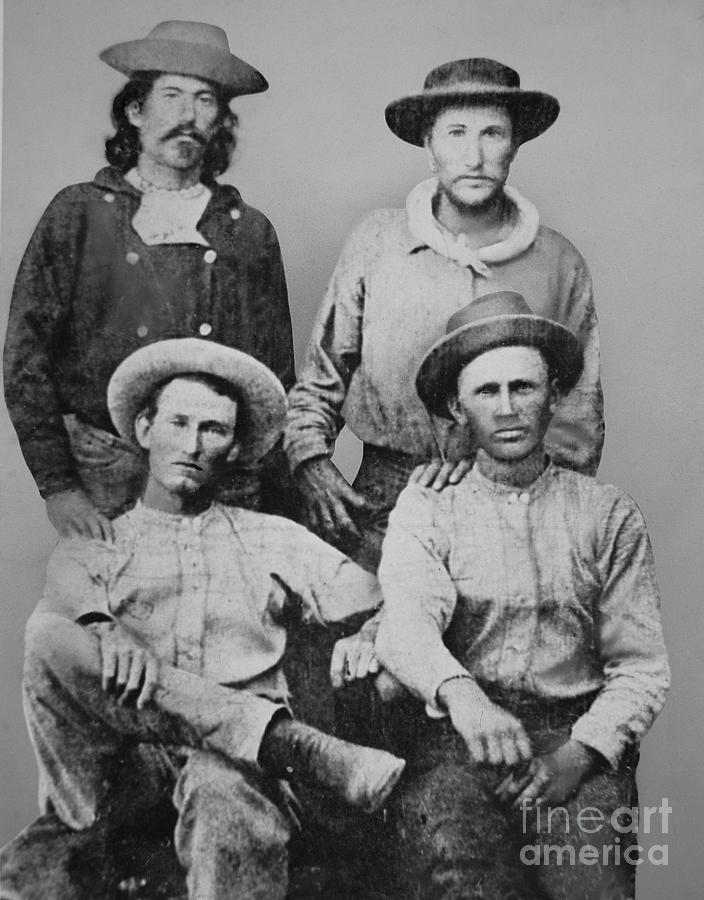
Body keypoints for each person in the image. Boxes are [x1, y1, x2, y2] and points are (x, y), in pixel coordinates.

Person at [1, 338, 404, 900]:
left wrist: (370, 630)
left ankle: (262, 743)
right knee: (46, 631)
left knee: (225, 794)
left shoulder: (271, 537)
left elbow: (386, 601)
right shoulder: (100, 542)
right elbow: (56, 635)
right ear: (145, 429)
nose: (192, 445)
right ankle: (285, 741)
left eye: (213, 430)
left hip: (235, 771)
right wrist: (101, 624)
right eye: (178, 423)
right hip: (118, 773)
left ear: (235, 447)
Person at [374, 291, 670, 899]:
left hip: (575, 740)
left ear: (554, 396)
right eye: (486, 392)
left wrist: (579, 756)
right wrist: (464, 699)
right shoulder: (430, 506)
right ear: (457, 406)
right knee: (462, 875)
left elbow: (640, 667)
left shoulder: (606, 514)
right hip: (458, 743)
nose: (507, 409)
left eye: (524, 388)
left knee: (591, 883)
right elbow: (405, 624)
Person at [285, 58, 603, 571]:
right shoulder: (378, 242)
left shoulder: (558, 262)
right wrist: (311, 462)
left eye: (492, 133)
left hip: (511, 512)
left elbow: (577, 420)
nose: (474, 155)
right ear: (429, 146)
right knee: (364, 643)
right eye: (455, 133)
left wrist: (529, 510)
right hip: (383, 507)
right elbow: (320, 381)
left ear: (516, 145)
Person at [3, 20, 295, 540]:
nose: (187, 117)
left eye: (205, 100)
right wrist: (58, 487)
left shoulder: (249, 231)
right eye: (172, 95)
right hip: (104, 476)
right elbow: (26, 361)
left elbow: (275, 378)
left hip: (223, 479)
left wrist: (275, 501)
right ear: (136, 111)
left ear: (221, 121)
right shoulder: (79, 213)